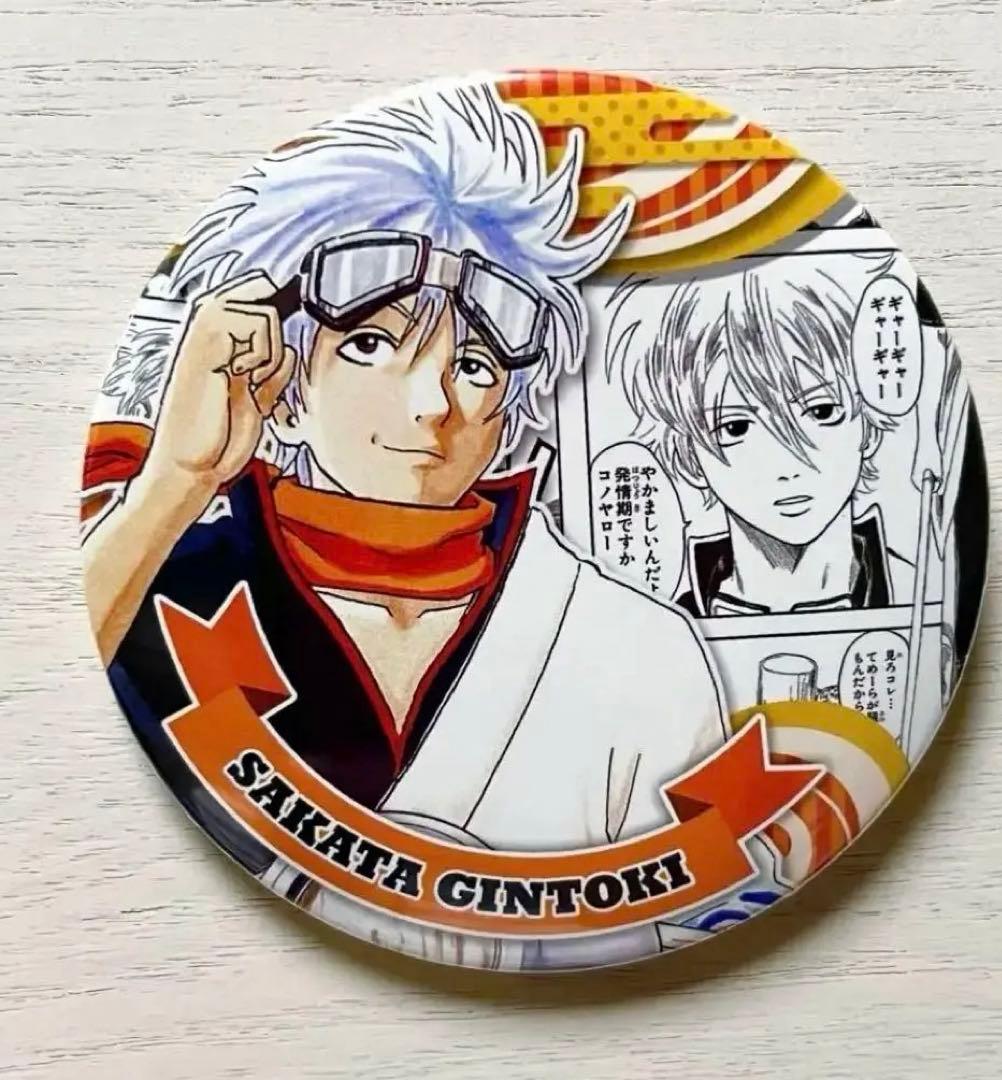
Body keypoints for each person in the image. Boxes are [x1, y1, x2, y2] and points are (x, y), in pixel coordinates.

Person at [82, 84, 765, 966]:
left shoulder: (633, 643)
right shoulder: (171, 577)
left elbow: (690, 912)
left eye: (475, 363)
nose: (431, 403)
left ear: (510, 411)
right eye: (369, 344)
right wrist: (172, 485)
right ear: (280, 379)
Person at [608, 266, 914, 617]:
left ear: (869, 423)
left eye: (822, 411)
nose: (787, 464)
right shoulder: (668, 623)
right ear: (687, 457)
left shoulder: (919, 594)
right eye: (735, 427)